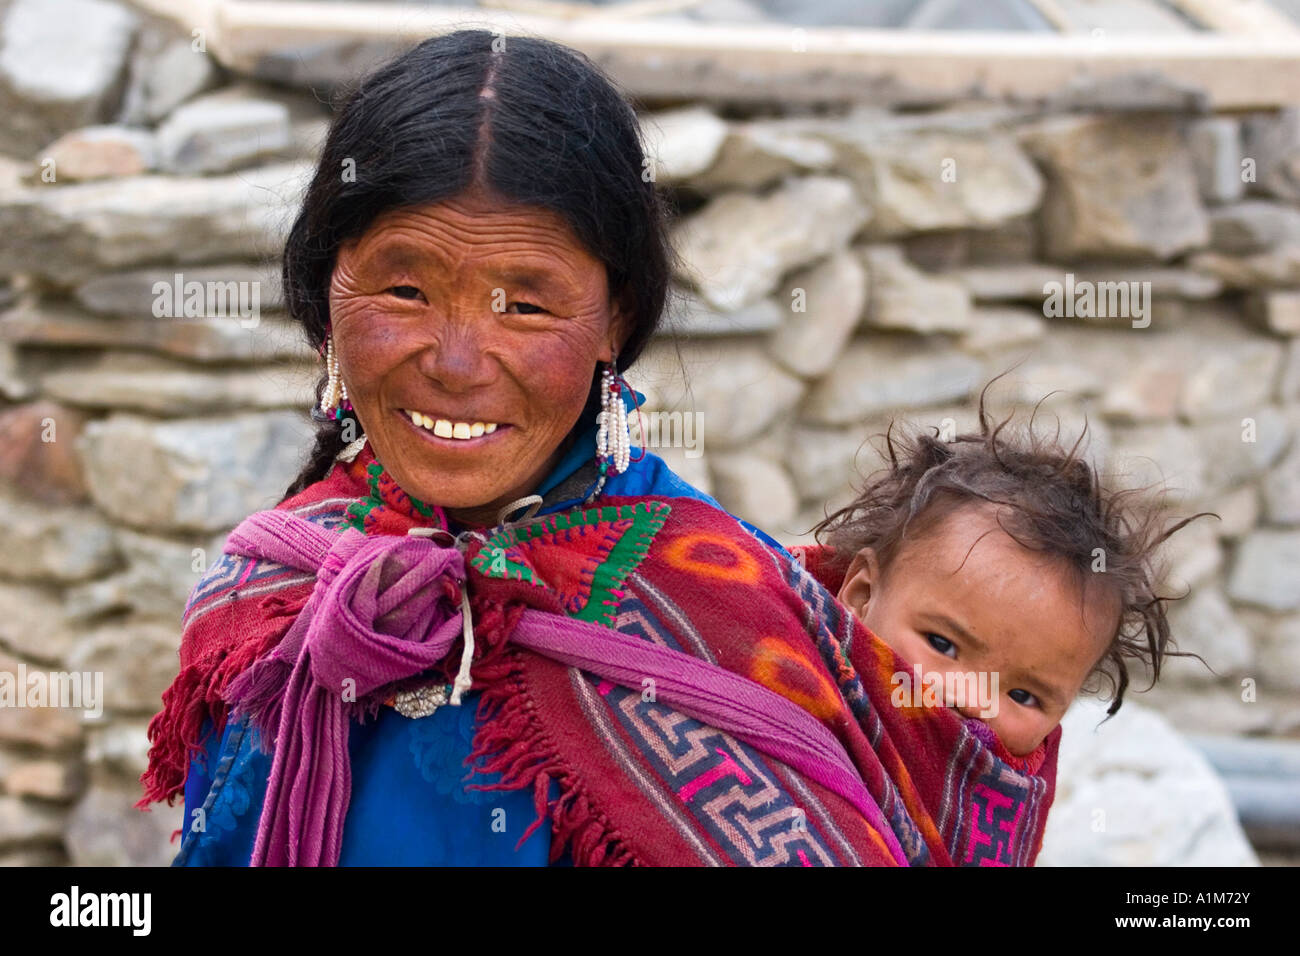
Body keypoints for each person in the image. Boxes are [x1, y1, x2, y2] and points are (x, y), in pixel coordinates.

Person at [138, 30, 1065, 867]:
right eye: (405, 291)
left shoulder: (726, 627)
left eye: (527, 304)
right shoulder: (266, 582)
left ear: (615, 320)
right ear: (325, 304)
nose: (458, 364)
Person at [797, 398, 1205, 759]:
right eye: (943, 644)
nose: (973, 702)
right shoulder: (778, 700)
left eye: (1023, 696)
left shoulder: (1003, 804)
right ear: (861, 594)